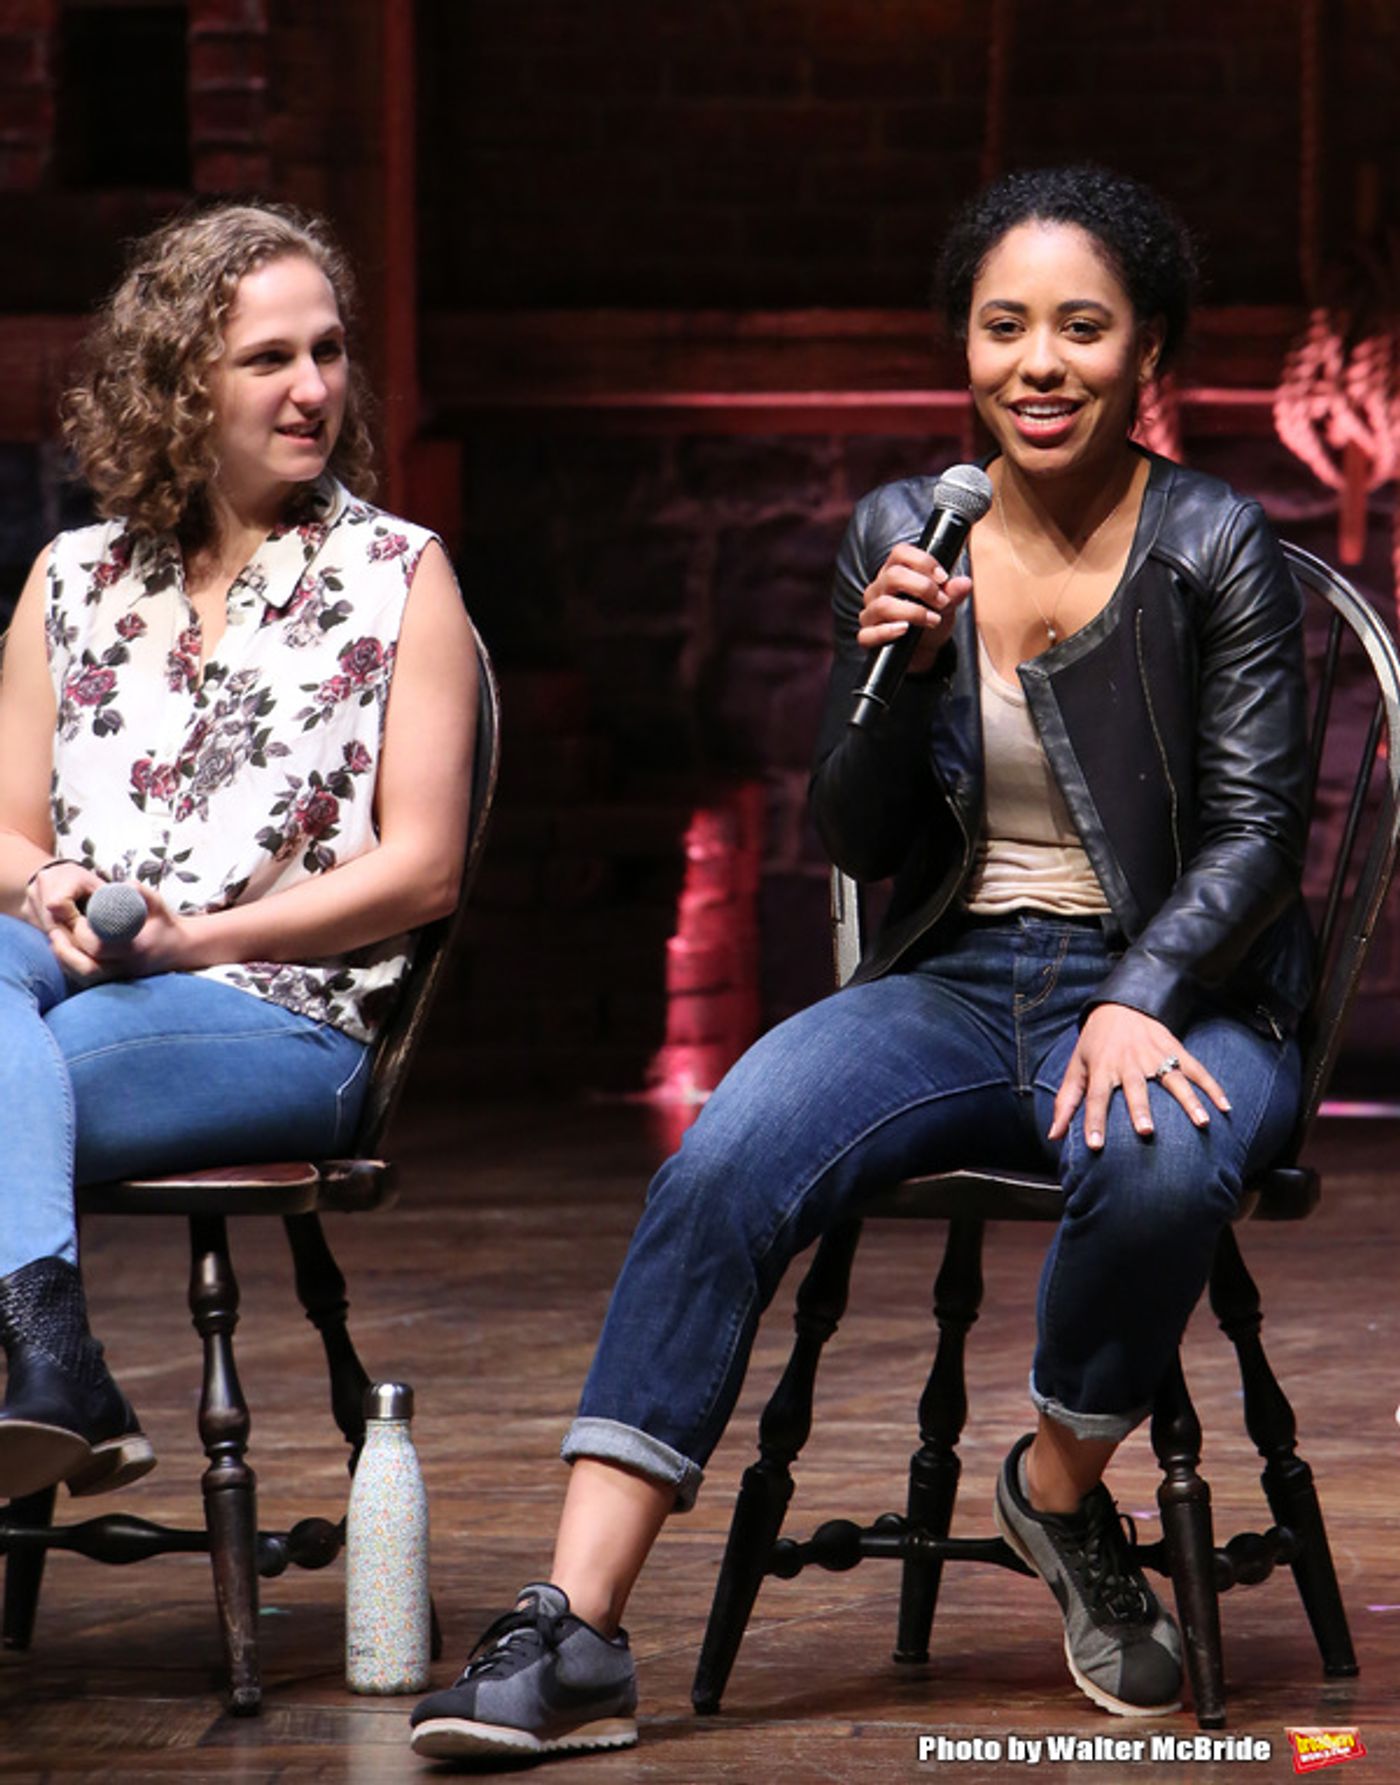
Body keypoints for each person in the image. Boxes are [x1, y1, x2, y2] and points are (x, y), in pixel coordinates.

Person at [409, 165, 1309, 1762]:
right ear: (965, 346)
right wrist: (894, 674)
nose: (1041, 363)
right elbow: (852, 828)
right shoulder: (908, 528)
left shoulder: (1214, 540)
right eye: (1005, 326)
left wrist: (1136, 993)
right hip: (956, 981)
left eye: (1083, 327)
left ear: (1148, 350)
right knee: (726, 1156)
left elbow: (1255, 836)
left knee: (1163, 1163)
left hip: (1181, 984)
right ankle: (576, 1625)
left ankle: (1053, 1491)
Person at [0, 202, 478, 1503]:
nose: (314, 387)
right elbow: (8, 829)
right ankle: (58, 1362)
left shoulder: (399, 576)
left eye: (328, 351)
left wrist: (196, 940)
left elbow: (424, 869)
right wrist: (45, 879)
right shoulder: (74, 578)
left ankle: (58, 1364)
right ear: (178, 384)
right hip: (72, 972)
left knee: (9, 1082)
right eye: (270, 358)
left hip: (288, 1013)